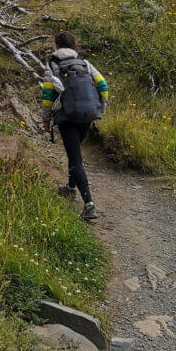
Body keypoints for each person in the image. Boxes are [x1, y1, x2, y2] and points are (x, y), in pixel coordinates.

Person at [41, 31, 109, 221]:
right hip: (87, 115)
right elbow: (103, 86)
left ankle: (89, 205)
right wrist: (99, 111)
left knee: (75, 158)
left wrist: (46, 119)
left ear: (57, 45)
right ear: (74, 46)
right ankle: (70, 188)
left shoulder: (53, 65)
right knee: (75, 151)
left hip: (67, 117)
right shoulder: (85, 64)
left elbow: (47, 96)